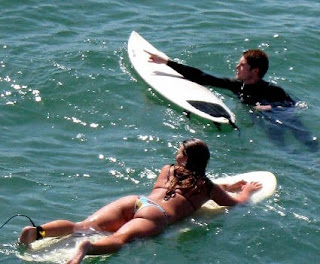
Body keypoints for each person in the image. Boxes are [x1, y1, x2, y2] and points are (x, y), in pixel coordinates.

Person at [19, 138, 261, 264]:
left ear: (184, 158)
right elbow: (234, 202)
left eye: (179, 151)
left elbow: (188, 183)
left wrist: (225, 185)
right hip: (156, 216)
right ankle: (86, 249)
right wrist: (247, 191)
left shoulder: (168, 169)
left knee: (80, 226)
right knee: (119, 239)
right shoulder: (206, 187)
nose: (176, 153)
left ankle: (37, 233)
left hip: (136, 201)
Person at [148, 50, 318, 151]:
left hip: (281, 118)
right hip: (264, 121)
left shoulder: (273, 90)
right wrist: (167, 62)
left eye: (242, 65)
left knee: (302, 137)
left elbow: (293, 108)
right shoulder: (237, 86)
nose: (237, 67)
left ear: (255, 70)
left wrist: (267, 108)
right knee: (280, 146)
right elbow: (203, 77)